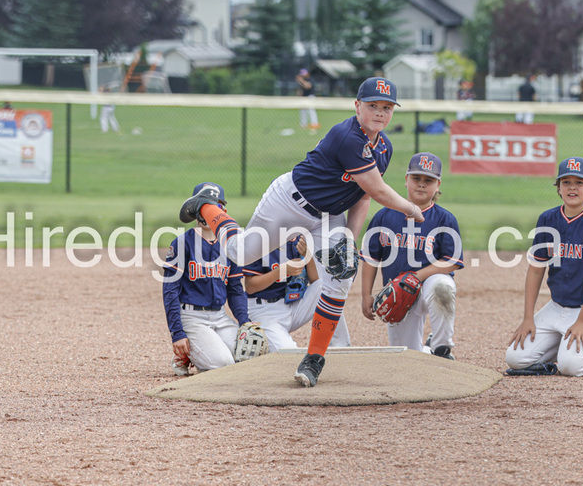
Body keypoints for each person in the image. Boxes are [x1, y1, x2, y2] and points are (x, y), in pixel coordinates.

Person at [178, 76, 425, 387]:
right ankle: (207, 208)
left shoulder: (384, 147)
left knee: (342, 271)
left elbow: (362, 197)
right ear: (357, 106)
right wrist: (412, 209)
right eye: (372, 105)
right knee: (238, 253)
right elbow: (378, 190)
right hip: (290, 203)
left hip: (328, 215)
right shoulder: (348, 136)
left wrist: (347, 238)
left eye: (387, 107)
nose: (379, 112)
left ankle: (314, 358)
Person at [506, 157, 583, 377]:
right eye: (566, 182)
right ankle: (562, 340)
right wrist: (528, 317)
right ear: (558, 188)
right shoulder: (548, 219)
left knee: (572, 367)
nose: (572, 187)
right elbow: (536, 269)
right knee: (515, 358)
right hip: (558, 306)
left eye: (579, 182)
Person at [360, 152, 463, 359]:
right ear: (406, 180)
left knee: (443, 287)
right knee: (408, 358)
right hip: (397, 296)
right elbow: (371, 258)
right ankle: (428, 348)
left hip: (429, 287)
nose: (422, 184)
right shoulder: (384, 216)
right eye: (416, 178)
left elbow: (451, 262)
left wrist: (418, 276)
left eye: (429, 180)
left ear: (438, 185)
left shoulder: (445, 219)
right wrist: (365, 294)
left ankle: (442, 346)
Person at [162, 182, 251, 376]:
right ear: (195, 212)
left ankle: (198, 354)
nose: (207, 214)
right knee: (224, 363)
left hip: (220, 316)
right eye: (203, 207)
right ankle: (188, 354)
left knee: (248, 357)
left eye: (214, 208)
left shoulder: (229, 245)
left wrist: (245, 322)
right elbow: (170, 291)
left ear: (223, 211)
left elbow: (235, 289)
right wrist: (178, 333)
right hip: (192, 317)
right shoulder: (182, 243)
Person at [243, 235, 351, 353]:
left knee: (329, 286)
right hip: (265, 311)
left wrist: (307, 256)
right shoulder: (258, 242)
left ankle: (340, 345)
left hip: (292, 306)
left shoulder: (296, 240)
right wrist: (282, 271)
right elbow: (250, 287)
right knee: (290, 354)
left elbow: (315, 281)